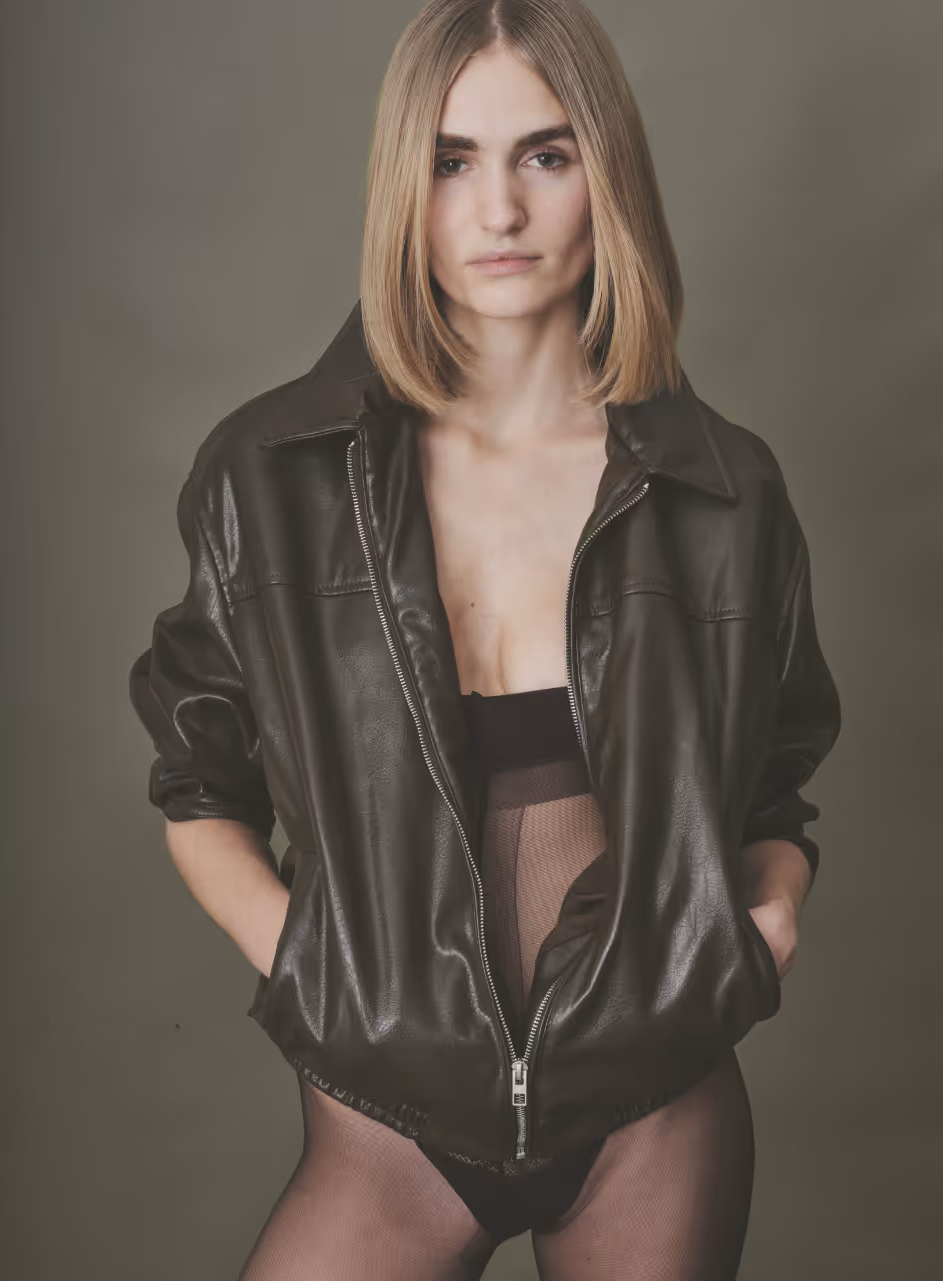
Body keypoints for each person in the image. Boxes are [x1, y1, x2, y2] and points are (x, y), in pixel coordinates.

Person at [128, 1, 842, 1277]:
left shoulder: (726, 492)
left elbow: (774, 778)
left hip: (652, 1102)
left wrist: (766, 916)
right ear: (404, 186)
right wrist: (313, 966)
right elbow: (197, 782)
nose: (498, 210)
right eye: (453, 161)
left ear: (607, 176)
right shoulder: (271, 476)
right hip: (384, 1122)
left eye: (544, 156)